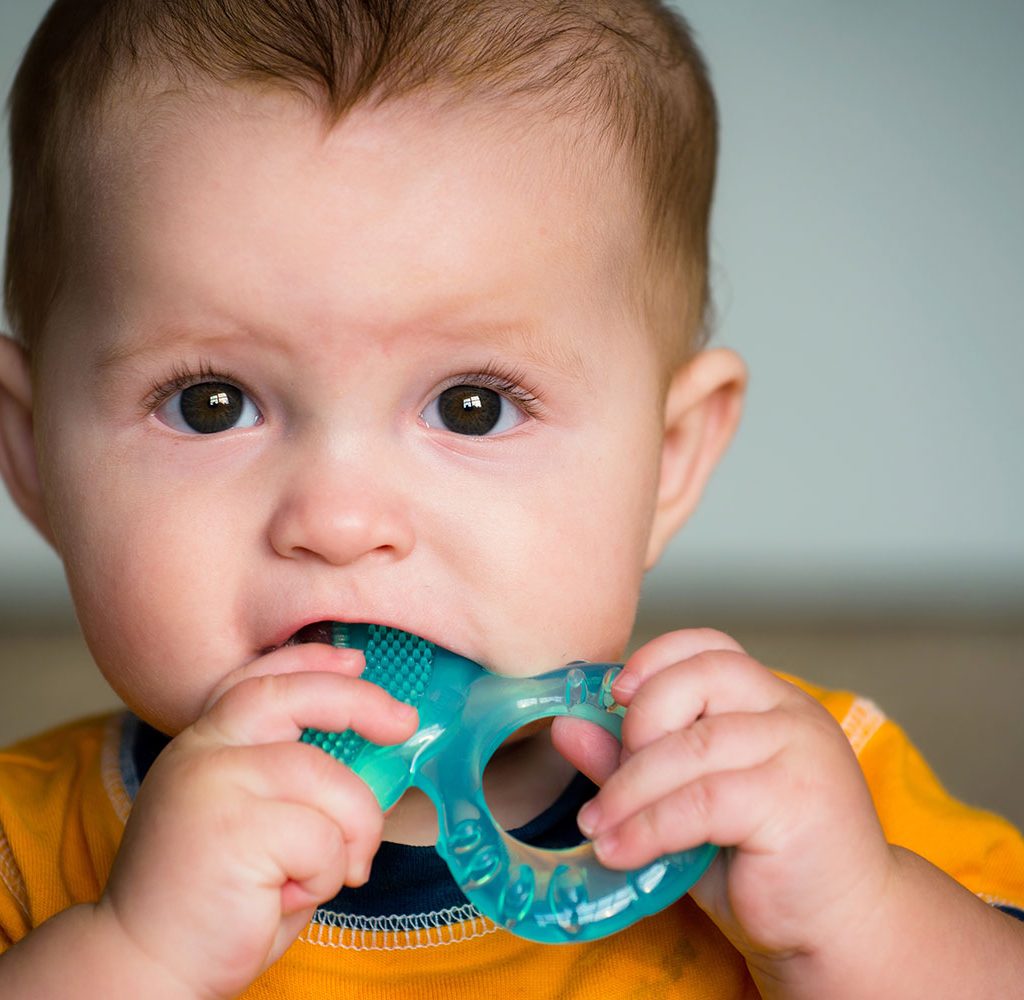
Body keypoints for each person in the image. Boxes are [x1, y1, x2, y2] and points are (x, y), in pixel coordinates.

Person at [0, 1, 1021, 996]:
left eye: (474, 406)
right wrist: (135, 958)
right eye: (210, 404)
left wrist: (853, 925)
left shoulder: (795, 797)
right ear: (34, 452)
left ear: (666, 458)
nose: (343, 520)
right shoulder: (25, 852)